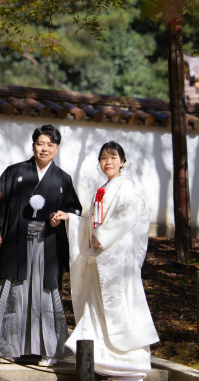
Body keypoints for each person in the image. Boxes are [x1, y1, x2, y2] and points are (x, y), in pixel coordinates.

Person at [50, 141, 159, 381]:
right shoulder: (102, 190)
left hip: (118, 263)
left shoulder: (126, 189)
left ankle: (130, 366)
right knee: (96, 308)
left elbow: (126, 217)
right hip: (100, 259)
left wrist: (101, 236)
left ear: (123, 161)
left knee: (123, 309)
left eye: (113, 157)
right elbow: (92, 222)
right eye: (103, 158)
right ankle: (100, 361)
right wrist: (72, 218)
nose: (108, 162)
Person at [0, 124, 83, 366]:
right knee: (14, 293)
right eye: (40, 143)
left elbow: (75, 209)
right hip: (17, 243)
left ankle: (49, 350)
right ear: (33, 146)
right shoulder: (14, 172)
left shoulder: (63, 179)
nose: (44, 148)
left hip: (47, 244)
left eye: (50, 144)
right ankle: (7, 348)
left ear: (57, 149)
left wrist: (63, 216)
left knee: (46, 296)